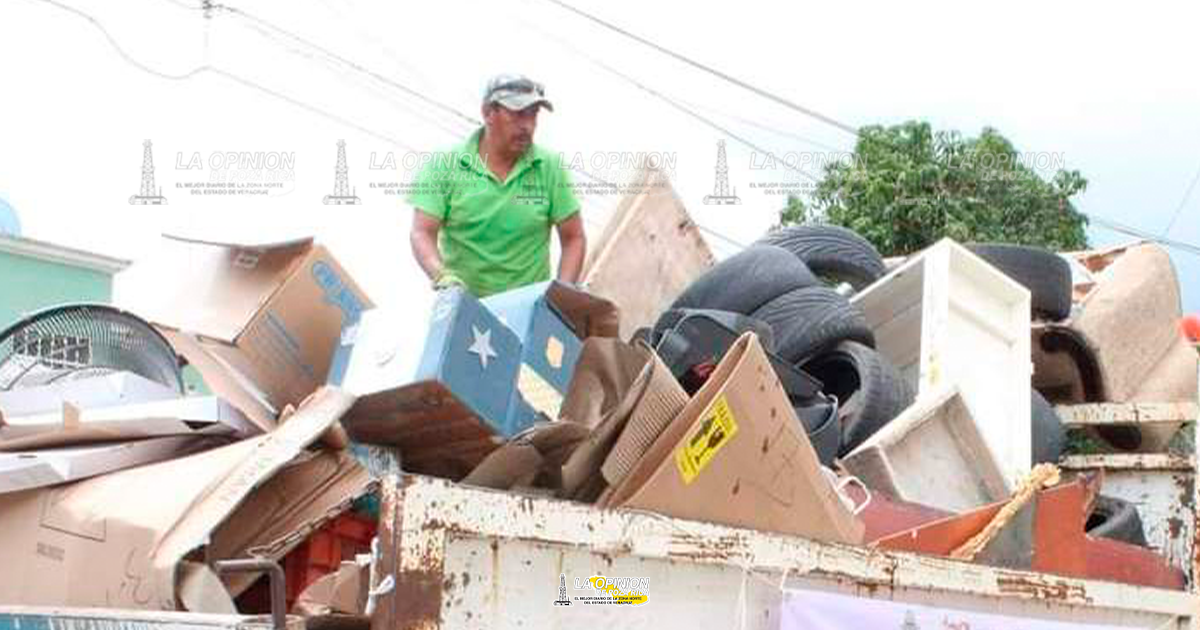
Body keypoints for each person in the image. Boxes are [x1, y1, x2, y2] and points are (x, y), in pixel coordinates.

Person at [408, 74, 586, 297]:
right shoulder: (444, 166)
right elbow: (422, 232)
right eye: (518, 114)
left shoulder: (549, 168)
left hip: (528, 311)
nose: (527, 126)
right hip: (464, 307)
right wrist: (441, 276)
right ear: (488, 113)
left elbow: (574, 237)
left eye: (533, 115)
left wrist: (562, 294)